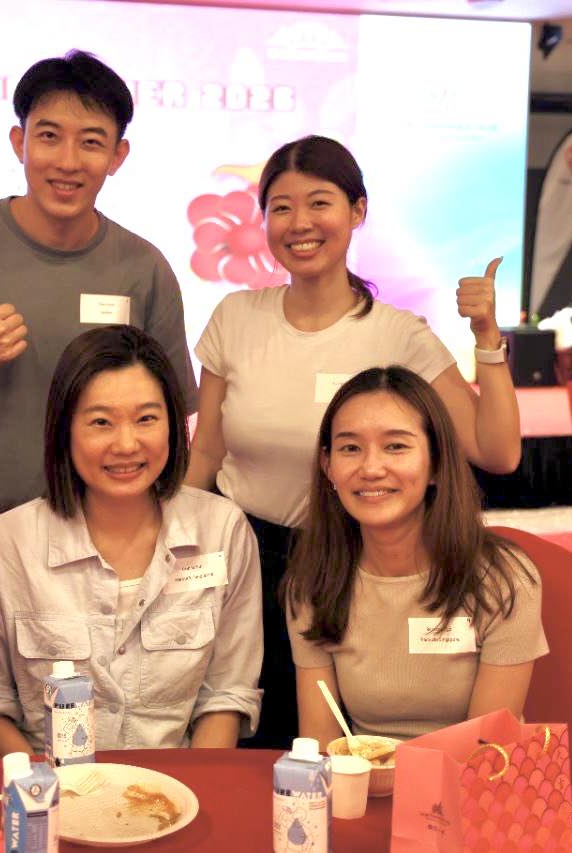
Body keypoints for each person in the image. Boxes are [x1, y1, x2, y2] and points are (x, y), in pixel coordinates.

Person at [185, 135, 521, 748]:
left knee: (319, 745)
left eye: (320, 203)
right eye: (281, 208)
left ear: (357, 211)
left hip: (349, 561)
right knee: (237, 730)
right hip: (242, 555)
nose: (300, 223)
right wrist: (165, 541)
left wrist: (487, 338)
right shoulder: (235, 317)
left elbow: (495, 451)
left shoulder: (398, 333)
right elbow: (205, 452)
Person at [0, 50, 197, 551]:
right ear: (18, 142)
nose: (68, 161)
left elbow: (171, 416)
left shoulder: (143, 268)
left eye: (91, 142)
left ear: (118, 156)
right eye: (49, 136)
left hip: (101, 546)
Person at [0, 325, 262, 755]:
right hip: (49, 793)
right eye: (101, 422)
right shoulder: (8, 543)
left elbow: (226, 695)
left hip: (178, 787)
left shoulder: (222, 530)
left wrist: (194, 791)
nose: (126, 443)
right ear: (65, 429)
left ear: (174, 425)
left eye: (146, 419)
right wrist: (43, 797)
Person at [282, 366, 547, 744]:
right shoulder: (312, 582)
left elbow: (487, 751)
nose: (371, 468)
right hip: (363, 788)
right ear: (328, 467)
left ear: (437, 463)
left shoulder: (503, 580)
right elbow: (321, 744)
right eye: (350, 448)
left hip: (470, 786)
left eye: (396, 446)